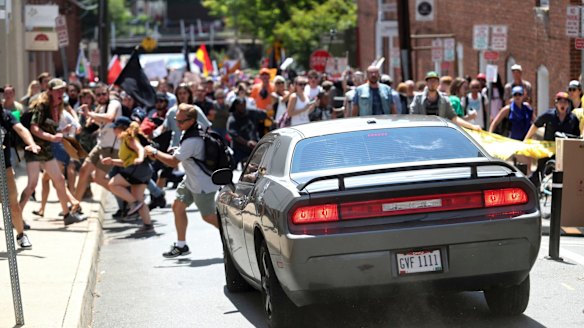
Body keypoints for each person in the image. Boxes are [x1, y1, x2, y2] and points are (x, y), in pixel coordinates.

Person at [144, 104, 220, 258]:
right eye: (176, 120)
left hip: (202, 184)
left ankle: (233, 234)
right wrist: (175, 151)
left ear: (192, 120)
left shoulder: (192, 139)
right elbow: (181, 154)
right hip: (191, 180)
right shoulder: (190, 132)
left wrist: (154, 152)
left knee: (208, 217)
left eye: (181, 121)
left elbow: (172, 162)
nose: (177, 124)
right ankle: (181, 246)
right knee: (178, 206)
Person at [19, 78, 84, 226]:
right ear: (50, 91)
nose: (61, 93)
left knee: (60, 180)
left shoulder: (58, 107)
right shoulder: (42, 106)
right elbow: (34, 128)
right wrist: (52, 137)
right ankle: (16, 216)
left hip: (46, 149)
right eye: (58, 90)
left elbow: (49, 128)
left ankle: (67, 215)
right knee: (32, 184)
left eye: (63, 90)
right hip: (34, 148)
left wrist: (61, 131)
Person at [102, 117, 155, 233]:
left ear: (121, 128)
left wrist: (140, 158)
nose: (113, 130)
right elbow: (126, 162)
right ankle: (148, 225)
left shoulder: (128, 138)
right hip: (142, 170)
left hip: (138, 169)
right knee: (139, 199)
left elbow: (140, 149)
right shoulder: (124, 141)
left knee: (112, 184)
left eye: (115, 128)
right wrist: (112, 161)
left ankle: (133, 203)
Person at [0, 103, 41, 248]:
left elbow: (21, 128)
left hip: (5, 169)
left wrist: (31, 143)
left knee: (14, 207)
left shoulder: (5, 115)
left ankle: (21, 235)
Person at [74, 83, 122, 204]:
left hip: (112, 147)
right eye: (99, 94)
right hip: (101, 145)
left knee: (99, 178)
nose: (101, 97)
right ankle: (75, 206)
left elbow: (109, 117)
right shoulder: (100, 108)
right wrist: (87, 119)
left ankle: (126, 199)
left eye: (104, 94)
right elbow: (92, 124)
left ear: (108, 93)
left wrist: (90, 114)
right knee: (84, 171)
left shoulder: (114, 103)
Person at [524, 91, 580, 182]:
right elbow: (536, 125)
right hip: (548, 151)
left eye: (565, 102)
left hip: (565, 151)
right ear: (556, 103)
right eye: (560, 102)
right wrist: (526, 139)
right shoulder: (548, 115)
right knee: (540, 172)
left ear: (568, 104)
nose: (563, 105)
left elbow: (577, 136)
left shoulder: (573, 119)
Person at [410, 72, 481, 131]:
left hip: (439, 134)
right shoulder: (418, 99)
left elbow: (454, 118)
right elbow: (413, 118)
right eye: (430, 81)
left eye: (434, 81)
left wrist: (472, 126)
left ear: (438, 83)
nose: (432, 83)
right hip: (423, 133)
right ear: (426, 83)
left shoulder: (444, 99)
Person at [227, 97, 267, 167]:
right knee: (233, 167)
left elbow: (264, 115)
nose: (243, 107)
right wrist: (247, 142)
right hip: (239, 148)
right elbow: (235, 135)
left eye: (244, 104)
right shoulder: (232, 119)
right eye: (240, 105)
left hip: (253, 147)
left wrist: (272, 120)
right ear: (236, 106)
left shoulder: (251, 113)